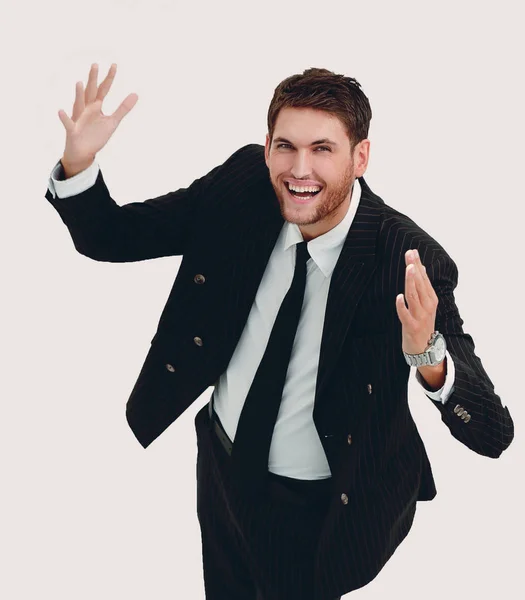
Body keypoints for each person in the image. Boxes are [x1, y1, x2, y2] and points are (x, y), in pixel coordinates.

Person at [44, 64, 514, 600]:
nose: (300, 169)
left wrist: (427, 356)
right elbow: (116, 237)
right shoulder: (246, 184)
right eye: (286, 146)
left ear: (360, 157)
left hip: (318, 506)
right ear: (266, 146)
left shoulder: (404, 260)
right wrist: (78, 161)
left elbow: (493, 434)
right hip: (221, 466)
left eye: (322, 149)